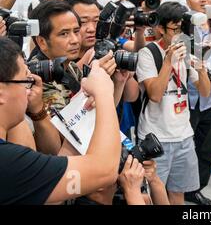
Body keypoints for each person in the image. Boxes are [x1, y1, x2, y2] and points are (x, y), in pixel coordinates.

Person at [0, 37, 122, 204]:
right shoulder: (9, 162)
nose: (29, 91)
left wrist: (81, 108)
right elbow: (105, 171)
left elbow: (46, 186)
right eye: (26, 81)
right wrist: (104, 93)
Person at [136, 2, 211, 205]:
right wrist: (168, 61)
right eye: (175, 29)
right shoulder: (148, 53)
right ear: (161, 28)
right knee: (154, 195)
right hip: (155, 138)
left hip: (184, 136)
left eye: (183, 29)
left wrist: (202, 69)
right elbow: (155, 95)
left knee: (178, 193)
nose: (180, 34)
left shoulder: (187, 52)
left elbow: (205, 92)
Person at [183, 0, 211, 205]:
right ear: (188, 1)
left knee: (207, 148)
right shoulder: (183, 26)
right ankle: (181, 187)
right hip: (190, 98)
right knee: (187, 147)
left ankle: (196, 188)